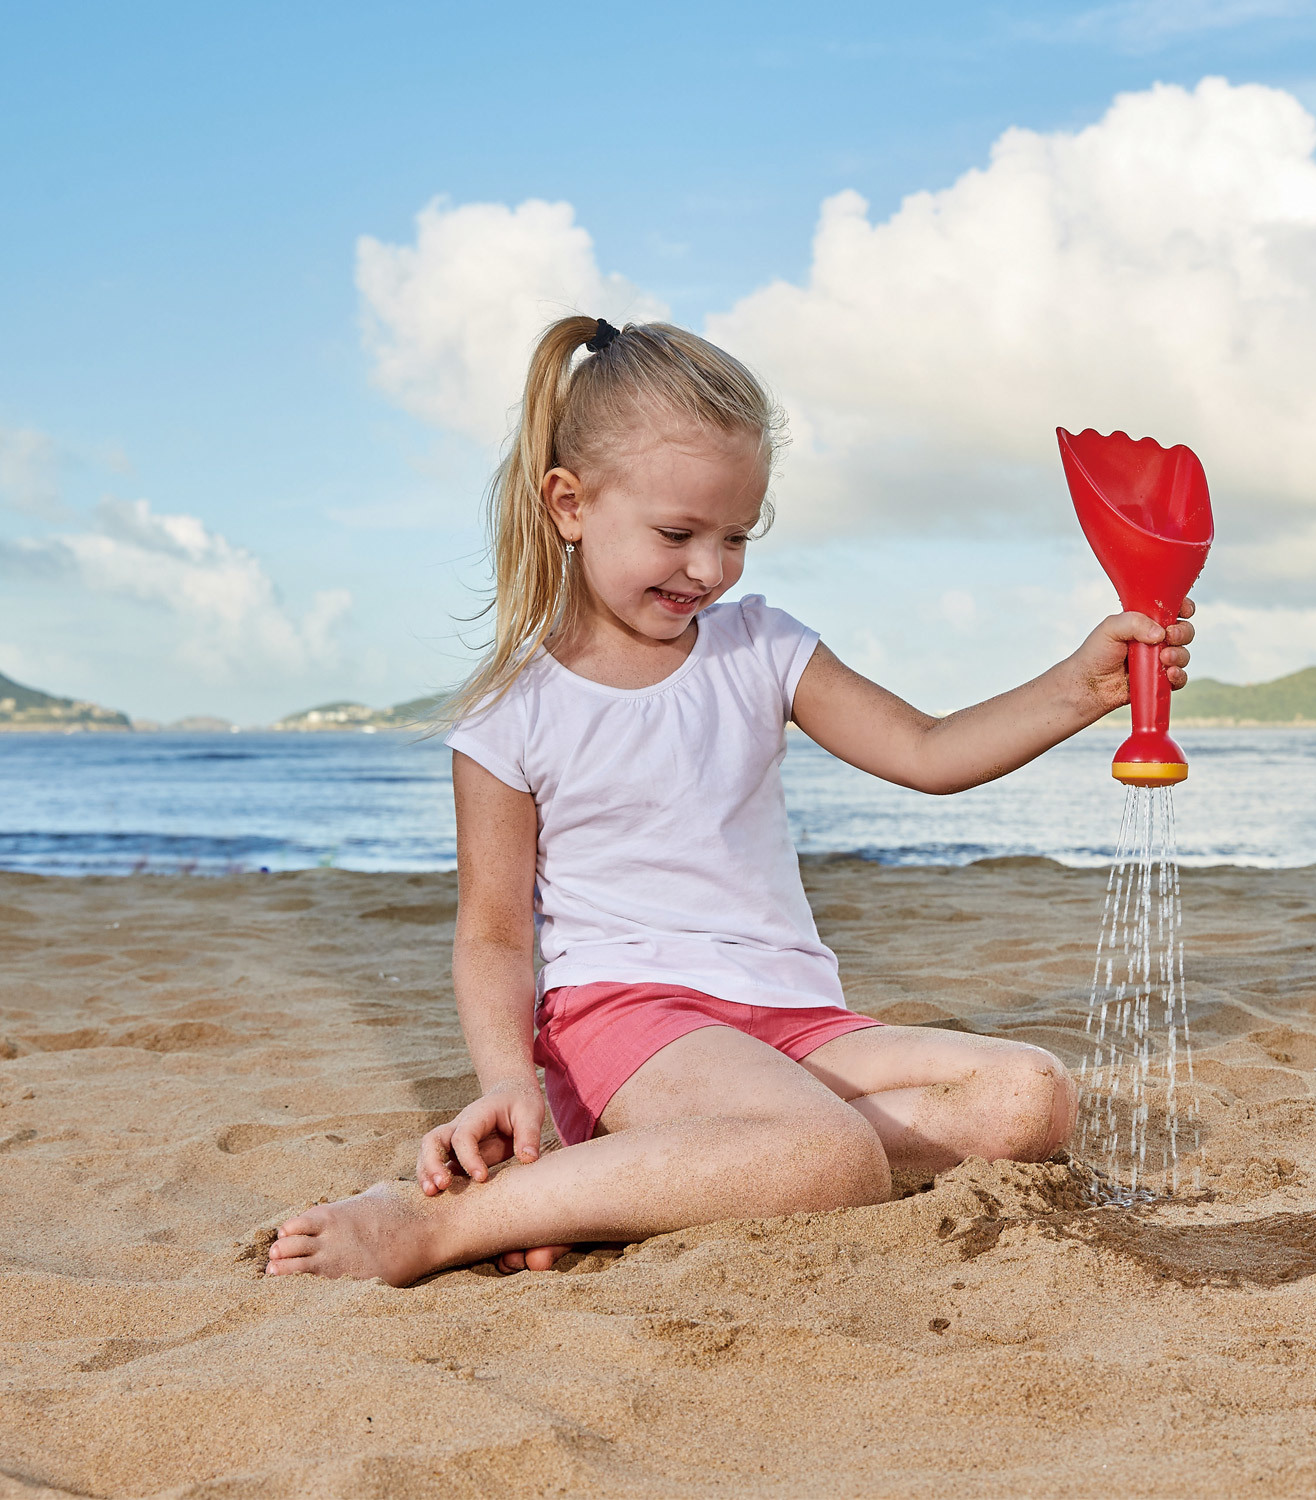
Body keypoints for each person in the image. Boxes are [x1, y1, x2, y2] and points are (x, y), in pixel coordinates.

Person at [266, 315, 1194, 1284]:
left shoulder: (763, 646)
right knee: (825, 1153)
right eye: (677, 534)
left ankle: (639, 1186)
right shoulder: (514, 713)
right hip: (630, 1021)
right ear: (570, 503)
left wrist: (1082, 688)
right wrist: (508, 1080)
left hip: (795, 1017)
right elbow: (493, 932)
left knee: (1029, 1099)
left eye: (735, 537)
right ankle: (444, 1227)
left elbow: (928, 750)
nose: (708, 569)